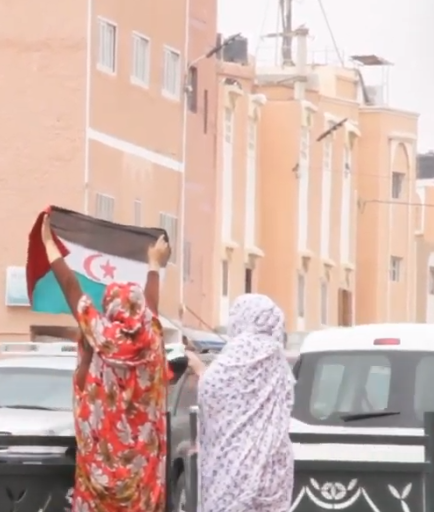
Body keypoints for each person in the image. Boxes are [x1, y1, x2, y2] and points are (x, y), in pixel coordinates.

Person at [39, 212, 171, 512]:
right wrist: (153, 265)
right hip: (143, 479)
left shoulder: (100, 334)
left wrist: (49, 244)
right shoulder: (153, 338)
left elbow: (71, 288)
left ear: (109, 308)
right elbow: (150, 308)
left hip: (99, 475)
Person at [195, 293, 294, 512]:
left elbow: (211, 391)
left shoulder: (236, 353)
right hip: (274, 466)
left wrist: (199, 369)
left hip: (235, 467)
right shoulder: (277, 356)